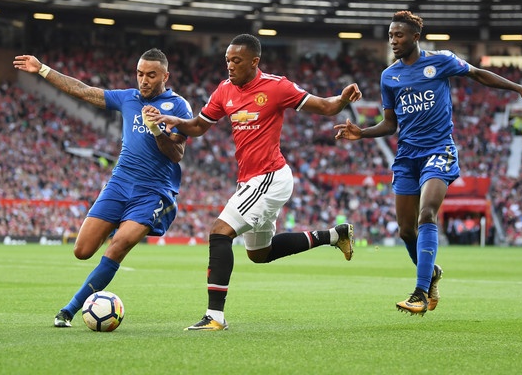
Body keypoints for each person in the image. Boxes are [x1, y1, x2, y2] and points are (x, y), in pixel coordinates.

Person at [147, 33, 362, 331]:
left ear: (254, 61)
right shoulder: (224, 90)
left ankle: (215, 316)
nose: (230, 66)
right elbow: (198, 126)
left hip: (270, 177)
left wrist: (342, 99)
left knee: (219, 232)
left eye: (236, 60)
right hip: (251, 180)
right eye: (227, 60)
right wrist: (175, 122)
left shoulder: (277, 87)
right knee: (260, 254)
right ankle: (334, 235)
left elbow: (325, 106)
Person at [334, 10, 522, 316]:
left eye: (399, 35)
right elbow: (390, 124)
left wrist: (518, 88)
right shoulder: (389, 76)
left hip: (438, 150)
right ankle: (432, 273)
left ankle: (419, 293)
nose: (393, 41)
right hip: (407, 156)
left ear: (415, 37)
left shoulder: (441, 60)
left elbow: (477, 74)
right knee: (406, 231)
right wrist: (362, 133)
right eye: (390, 36)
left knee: (426, 213)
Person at [13, 48, 193, 327]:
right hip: (120, 184)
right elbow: (83, 91)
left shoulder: (178, 106)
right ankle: (116, 225)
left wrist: (157, 129)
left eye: (151, 75)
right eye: (140, 74)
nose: (143, 80)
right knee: (82, 250)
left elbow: (177, 154)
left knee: (118, 246)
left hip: (153, 191)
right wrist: (43, 70)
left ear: (165, 76)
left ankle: (68, 310)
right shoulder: (128, 98)